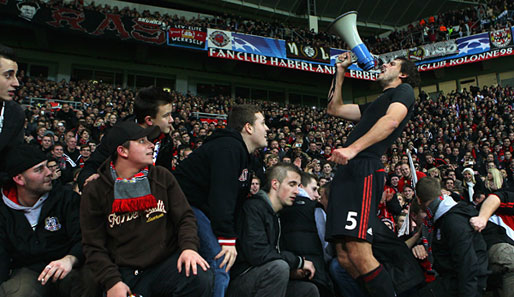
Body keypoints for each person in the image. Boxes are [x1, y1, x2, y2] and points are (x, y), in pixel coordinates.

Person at [324, 51, 420, 297]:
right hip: (348, 170)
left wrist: (352, 149)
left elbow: (391, 122)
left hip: (365, 167)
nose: (384, 65)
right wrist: (341, 70)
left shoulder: (404, 91)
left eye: (391, 63)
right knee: (344, 254)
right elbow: (334, 109)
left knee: (358, 250)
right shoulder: (377, 102)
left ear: (403, 73)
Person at [80, 121, 212, 297]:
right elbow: (93, 246)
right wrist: (112, 281)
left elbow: (185, 218)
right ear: (122, 151)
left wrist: (189, 248)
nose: (151, 145)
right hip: (124, 272)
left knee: (199, 275)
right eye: (142, 141)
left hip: (164, 265)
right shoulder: (96, 190)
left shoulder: (162, 176)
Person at [174, 104, 269, 297]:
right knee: (221, 263)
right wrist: (227, 238)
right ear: (248, 127)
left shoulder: (243, 154)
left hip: (203, 209)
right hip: (186, 205)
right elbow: (222, 197)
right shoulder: (228, 148)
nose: (267, 129)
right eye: (263, 123)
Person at [0, 145, 96, 297]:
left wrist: (71, 259)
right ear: (19, 179)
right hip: (30, 270)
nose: (49, 173)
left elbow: (85, 237)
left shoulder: (67, 199)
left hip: (69, 264)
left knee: (89, 278)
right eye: (39, 169)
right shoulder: (5, 210)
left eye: (47, 166)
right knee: (18, 291)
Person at [227, 163, 319, 297]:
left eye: (298, 186)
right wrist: (298, 262)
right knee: (279, 268)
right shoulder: (253, 208)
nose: (297, 191)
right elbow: (258, 254)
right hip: (243, 278)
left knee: (308, 290)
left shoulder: (278, 214)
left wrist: (293, 269)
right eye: (292, 184)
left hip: (267, 275)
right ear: (275, 184)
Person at [78, 86, 174, 189]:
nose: (171, 120)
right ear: (149, 120)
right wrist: (88, 179)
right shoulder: (119, 134)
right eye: (166, 116)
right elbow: (92, 166)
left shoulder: (165, 140)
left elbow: (165, 176)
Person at [415, 177, 488, 296]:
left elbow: (467, 263)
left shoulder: (452, 221)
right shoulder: (442, 218)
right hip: (454, 280)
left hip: (468, 284)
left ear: (418, 200)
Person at [280, 172, 334, 297]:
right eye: (314, 189)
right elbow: (325, 243)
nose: (317, 195)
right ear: (301, 187)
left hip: (288, 269)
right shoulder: (315, 208)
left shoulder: (279, 208)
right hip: (315, 271)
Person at [0, 44, 23, 180]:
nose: (16, 83)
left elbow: (11, 163)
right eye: (8, 76)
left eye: (16, 76)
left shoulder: (15, 113)